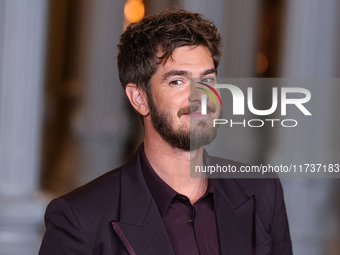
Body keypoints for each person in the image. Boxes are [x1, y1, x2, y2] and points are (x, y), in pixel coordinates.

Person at [39, 8, 292, 255]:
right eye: (177, 81)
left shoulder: (263, 190)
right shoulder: (78, 219)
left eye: (207, 79)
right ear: (139, 98)